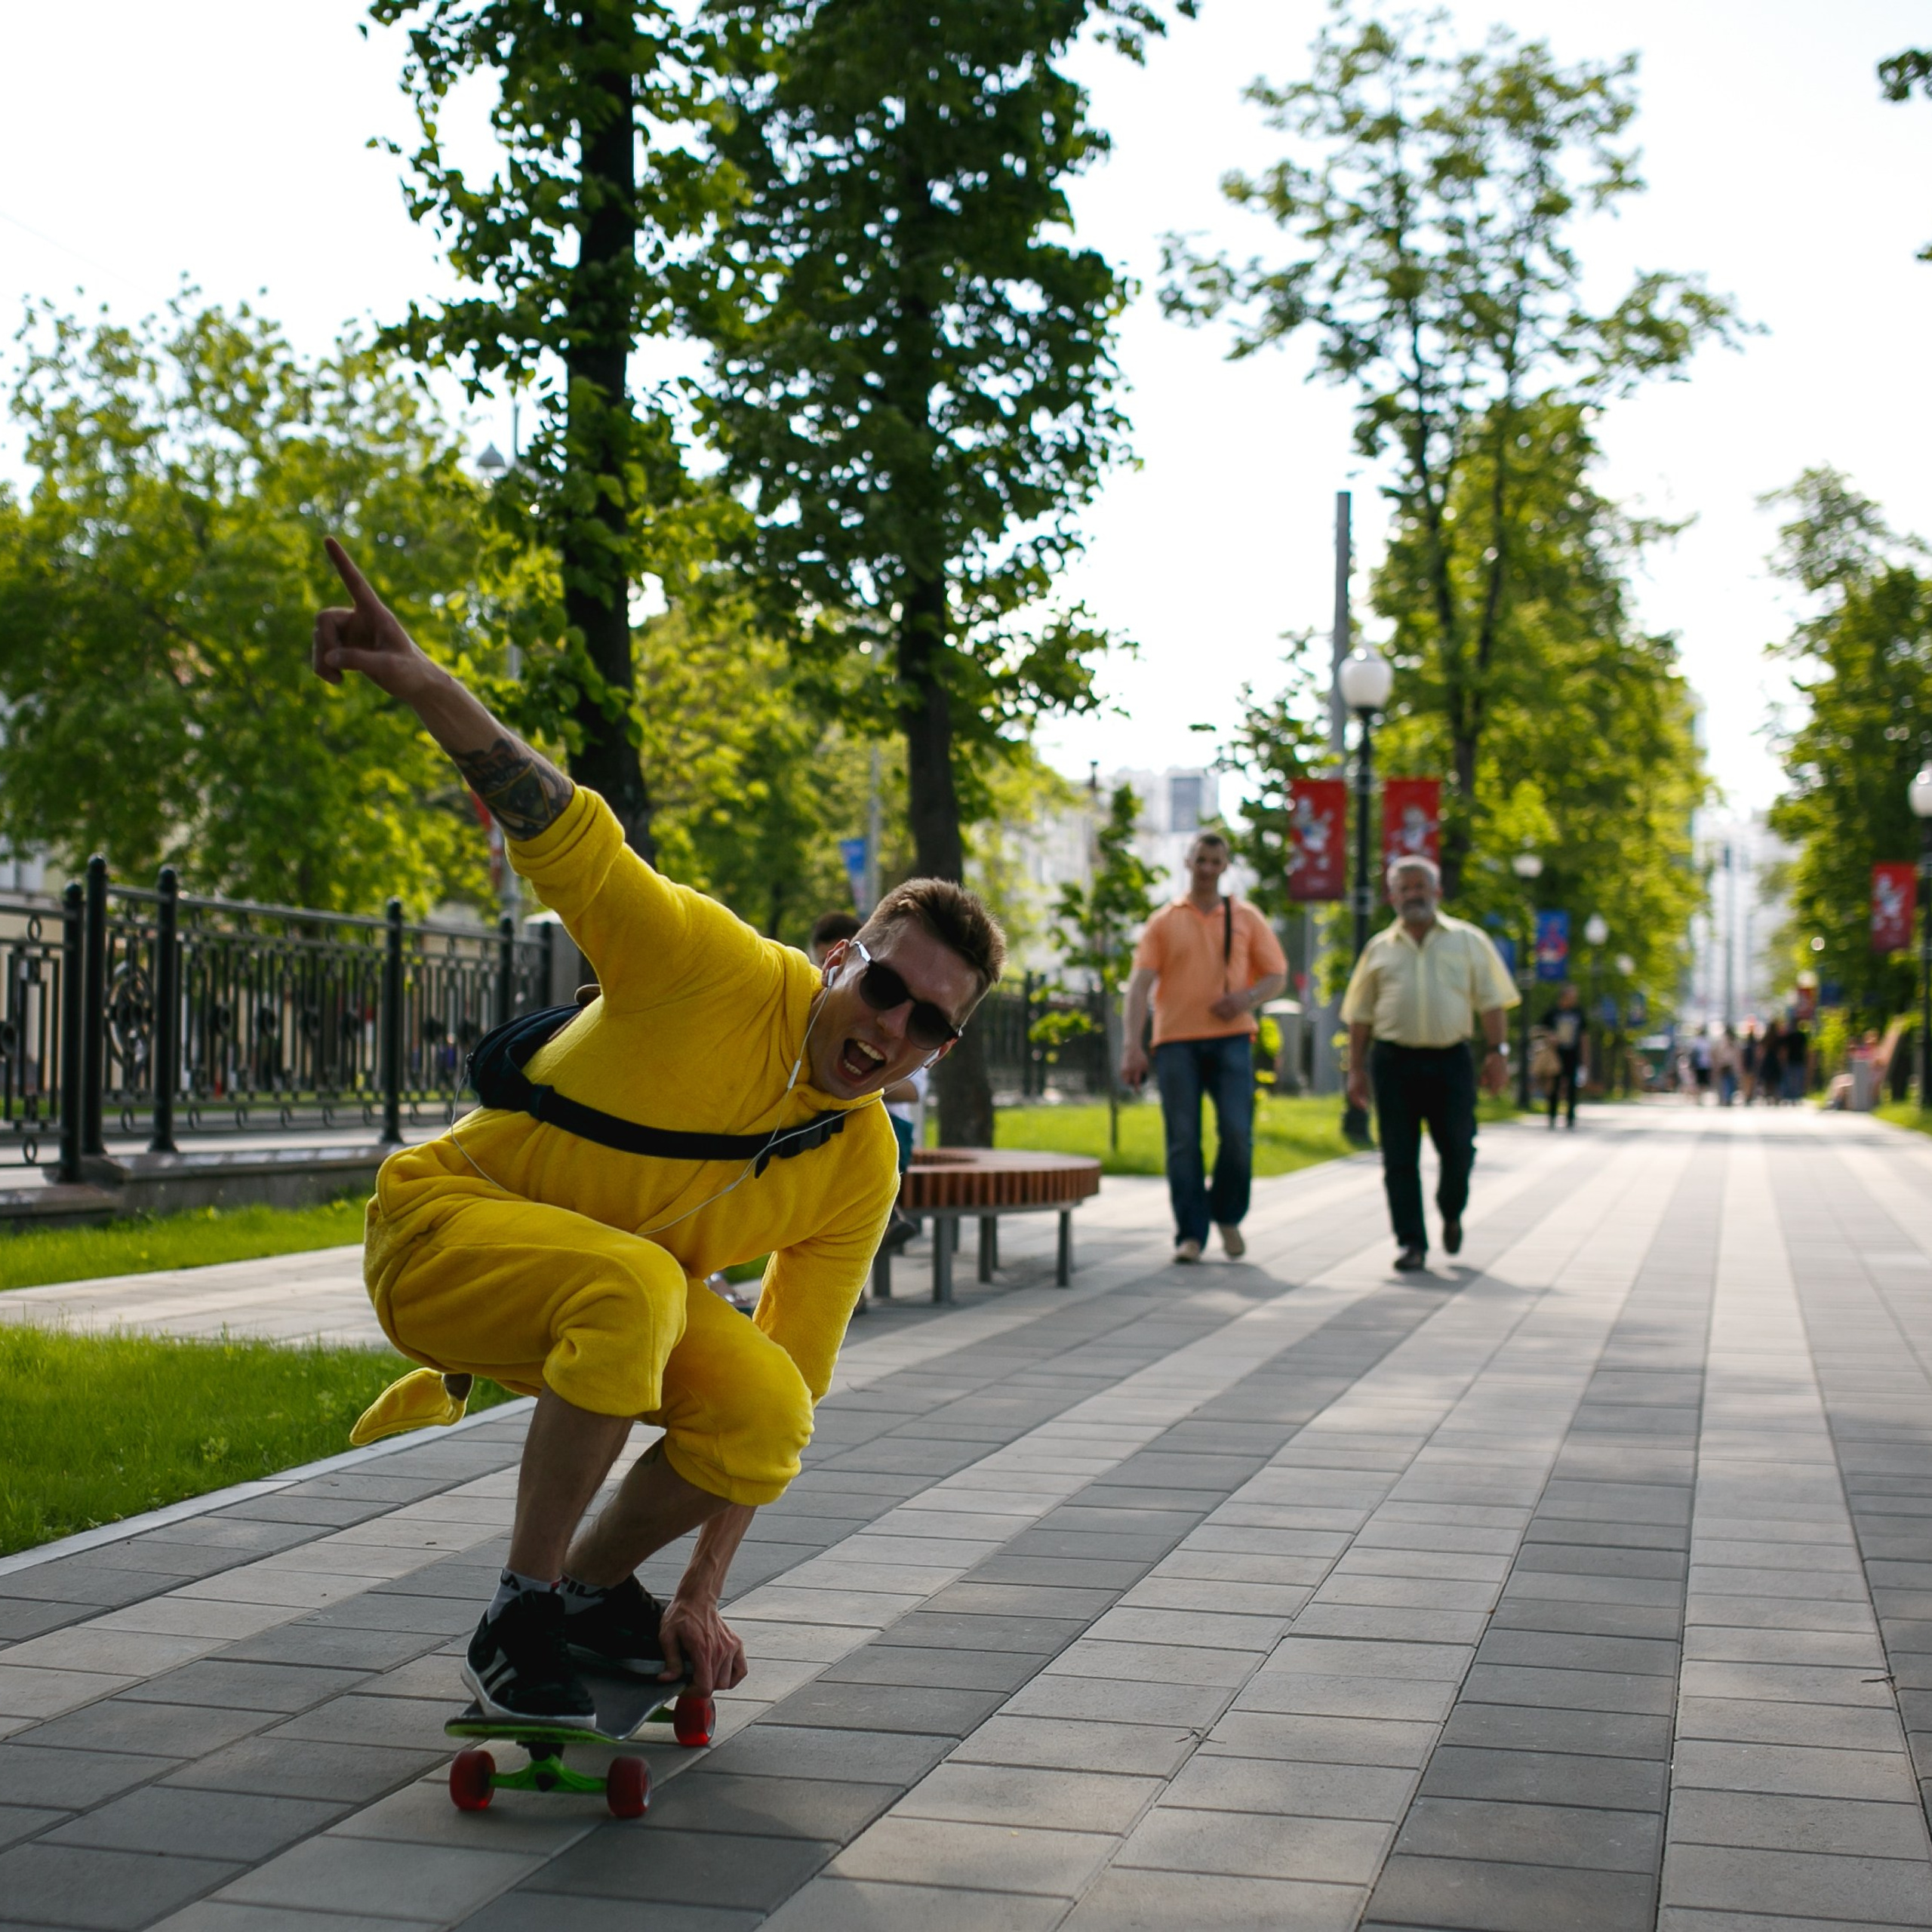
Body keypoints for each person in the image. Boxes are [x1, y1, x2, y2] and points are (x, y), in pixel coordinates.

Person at [311, 539, 1004, 1727]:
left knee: (764, 1407)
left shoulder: (858, 1162)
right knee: (635, 1281)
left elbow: (791, 1376)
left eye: (928, 1026)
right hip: (440, 1234)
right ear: (843, 958)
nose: (889, 1030)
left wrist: (703, 1590)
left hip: (605, 1307)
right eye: (885, 989)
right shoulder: (709, 968)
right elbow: (569, 835)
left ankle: (591, 1597)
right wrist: (422, 681)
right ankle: (518, 1610)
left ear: (942, 1050)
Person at [1342, 856, 1518, 1272]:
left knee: (1459, 1148)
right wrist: (1356, 1069)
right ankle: (1411, 1243)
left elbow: (1493, 1001)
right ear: (1393, 896)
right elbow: (1360, 1014)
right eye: (1405, 888)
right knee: (1399, 1156)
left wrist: (1497, 1053)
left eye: (1421, 886)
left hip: (1451, 1060)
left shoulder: (1469, 941)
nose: (1413, 894)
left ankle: (1450, 1210)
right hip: (1393, 1062)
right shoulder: (1378, 949)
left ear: (1437, 892)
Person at [1119, 832, 1287, 1263]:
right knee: (1182, 1140)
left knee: (1236, 1133)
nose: (1208, 868)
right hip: (1175, 1042)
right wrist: (1131, 1047)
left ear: (1225, 866)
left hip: (1232, 1039)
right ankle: (1190, 1235)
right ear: (1188, 862)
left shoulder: (1245, 916)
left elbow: (1276, 976)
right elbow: (1138, 988)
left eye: (1216, 861)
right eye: (1201, 860)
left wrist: (1245, 999)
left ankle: (1227, 1214)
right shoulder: (1164, 920)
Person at [1543, 983, 1586, 1130]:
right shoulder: (1553, 1012)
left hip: (1573, 1054)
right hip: (1555, 1055)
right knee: (1554, 1086)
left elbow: (1584, 1035)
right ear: (1564, 996)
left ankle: (1570, 1118)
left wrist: (1585, 1058)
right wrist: (1550, 1036)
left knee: (1572, 1087)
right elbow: (1540, 1029)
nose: (1574, 999)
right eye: (1571, 996)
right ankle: (1552, 1116)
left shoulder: (1578, 1013)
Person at [1712, 1025, 1740, 1106]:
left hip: (1727, 1065)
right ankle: (1726, 1098)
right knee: (1727, 1083)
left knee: (1728, 1083)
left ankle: (1727, 1098)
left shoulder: (1726, 1042)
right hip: (1726, 1065)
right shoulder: (1726, 1042)